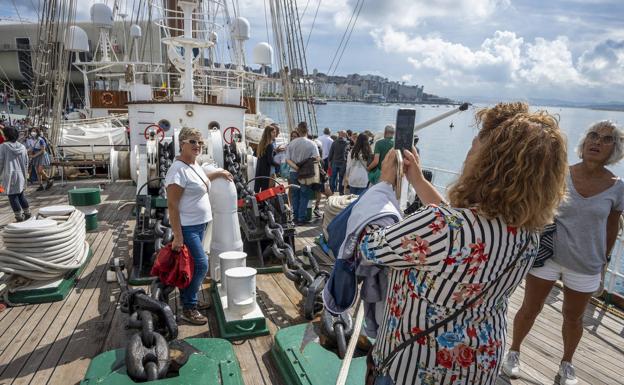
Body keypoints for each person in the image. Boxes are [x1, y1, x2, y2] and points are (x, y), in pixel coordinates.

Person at [360, 102, 568, 385]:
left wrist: (384, 185)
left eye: (474, 146)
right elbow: (462, 229)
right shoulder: (529, 233)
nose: (468, 153)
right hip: (479, 363)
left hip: (416, 365)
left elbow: (370, 246)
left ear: (489, 165)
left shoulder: (442, 226)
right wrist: (418, 181)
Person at [503, 120, 624, 385]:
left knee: (573, 317)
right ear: (584, 142)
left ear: (614, 149)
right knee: (529, 309)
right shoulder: (561, 173)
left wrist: (604, 260)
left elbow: (612, 225)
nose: (597, 141)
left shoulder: (618, 187)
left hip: (585, 262)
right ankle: (513, 352)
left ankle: (567, 363)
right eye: (593, 135)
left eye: (606, 139)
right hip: (548, 256)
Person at [166, 127, 233, 325]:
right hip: (187, 227)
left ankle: (190, 299)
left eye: (200, 142)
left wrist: (218, 173)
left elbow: (200, 181)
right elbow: (172, 205)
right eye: (193, 142)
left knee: (194, 265)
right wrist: (178, 236)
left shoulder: (193, 165)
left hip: (200, 224)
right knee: (202, 265)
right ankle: (188, 307)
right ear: (182, 144)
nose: (198, 146)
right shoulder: (176, 170)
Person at [286, 121, 320, 224]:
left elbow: (287, 160)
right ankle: (301, 218)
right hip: (306, 173)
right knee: (304, 195)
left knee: (295, 194)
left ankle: (295, 217)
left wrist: (296, 167)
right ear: (307, 130)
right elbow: (317, 158)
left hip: (293, 171)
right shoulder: (312, 143)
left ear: (298, 130)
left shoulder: (291, 143)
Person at [0, 126, 30, 222]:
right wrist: (26, 173)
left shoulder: (3, 146)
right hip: (21, 174)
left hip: (10, 175)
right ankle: (27, 212)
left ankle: (19, 216)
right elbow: (26, 161)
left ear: (6, 135)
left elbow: (0, 162)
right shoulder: (22, 147)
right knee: (20, 194)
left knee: (12, 196)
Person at [254, 125, 280, 193]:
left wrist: (275, 152)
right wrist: (278, 164)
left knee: (260, 191)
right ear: (269, 133)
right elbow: (270, 160)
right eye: (273, 132)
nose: (275, 134)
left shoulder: (261, 144)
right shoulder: (270, 145)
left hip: (260, 170)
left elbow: (264, 156)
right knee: (267, 192)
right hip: (267, 171)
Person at [328, 130, 349, 195]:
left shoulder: (334, 142)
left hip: (334, 162)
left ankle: (332, 191)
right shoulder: (347, 143)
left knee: (333, 177)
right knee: (341, 178)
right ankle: (341, 192)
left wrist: (329, 162)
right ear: (345, 135)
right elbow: (347, 153)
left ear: (339, 135)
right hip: (343, 162)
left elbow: (331, 153)